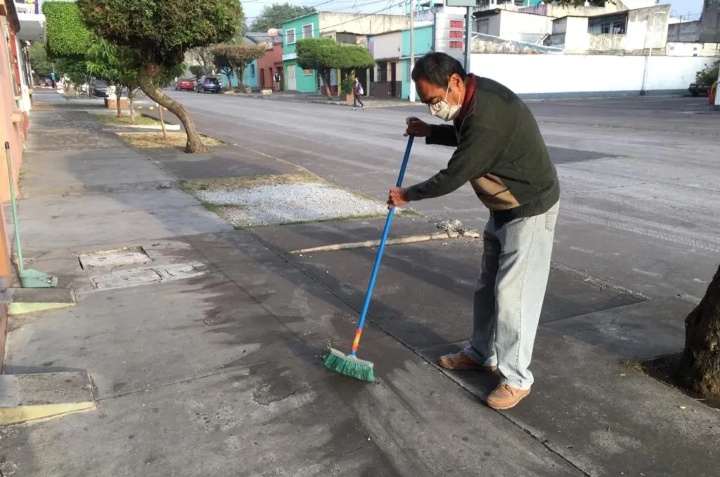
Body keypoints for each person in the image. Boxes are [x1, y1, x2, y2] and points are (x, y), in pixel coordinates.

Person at [387, 52, 560, 410]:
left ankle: (516, 378)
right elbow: (466, 137)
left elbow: (456, 172)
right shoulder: (471, 98)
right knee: (487, 288)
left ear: (453, 82)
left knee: (514, 297)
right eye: (425, 103)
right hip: (502, 206)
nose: (432, 107)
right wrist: (429, 131)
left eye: (433, 100)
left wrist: (408, 195)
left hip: (529, 207)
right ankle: (481, 353)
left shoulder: (486, 116)